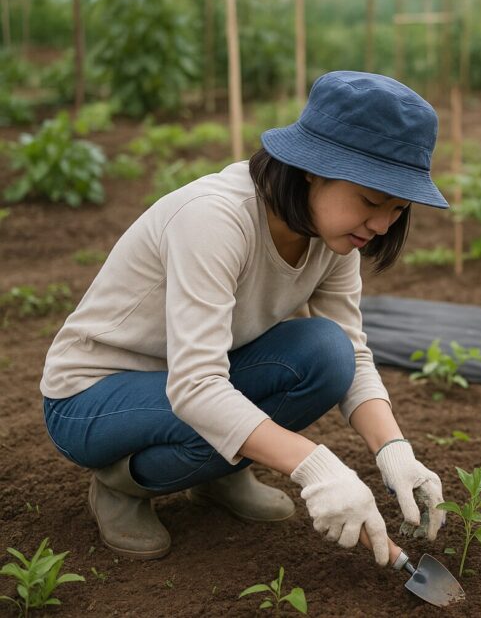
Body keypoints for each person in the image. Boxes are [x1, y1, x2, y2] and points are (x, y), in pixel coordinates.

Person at [40, 71, 449, 567]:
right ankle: (119, 488)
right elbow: (196, 387)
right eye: (370, 201)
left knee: (326, 352)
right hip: (92, 396)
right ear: (311, 170)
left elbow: (352, 350)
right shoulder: (215, 218)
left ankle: (217, 474)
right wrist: (314, 465)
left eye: (398, 209)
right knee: (212, 410)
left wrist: (394, 450)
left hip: (183, 379)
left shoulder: (336, 239)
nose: (382, 224)